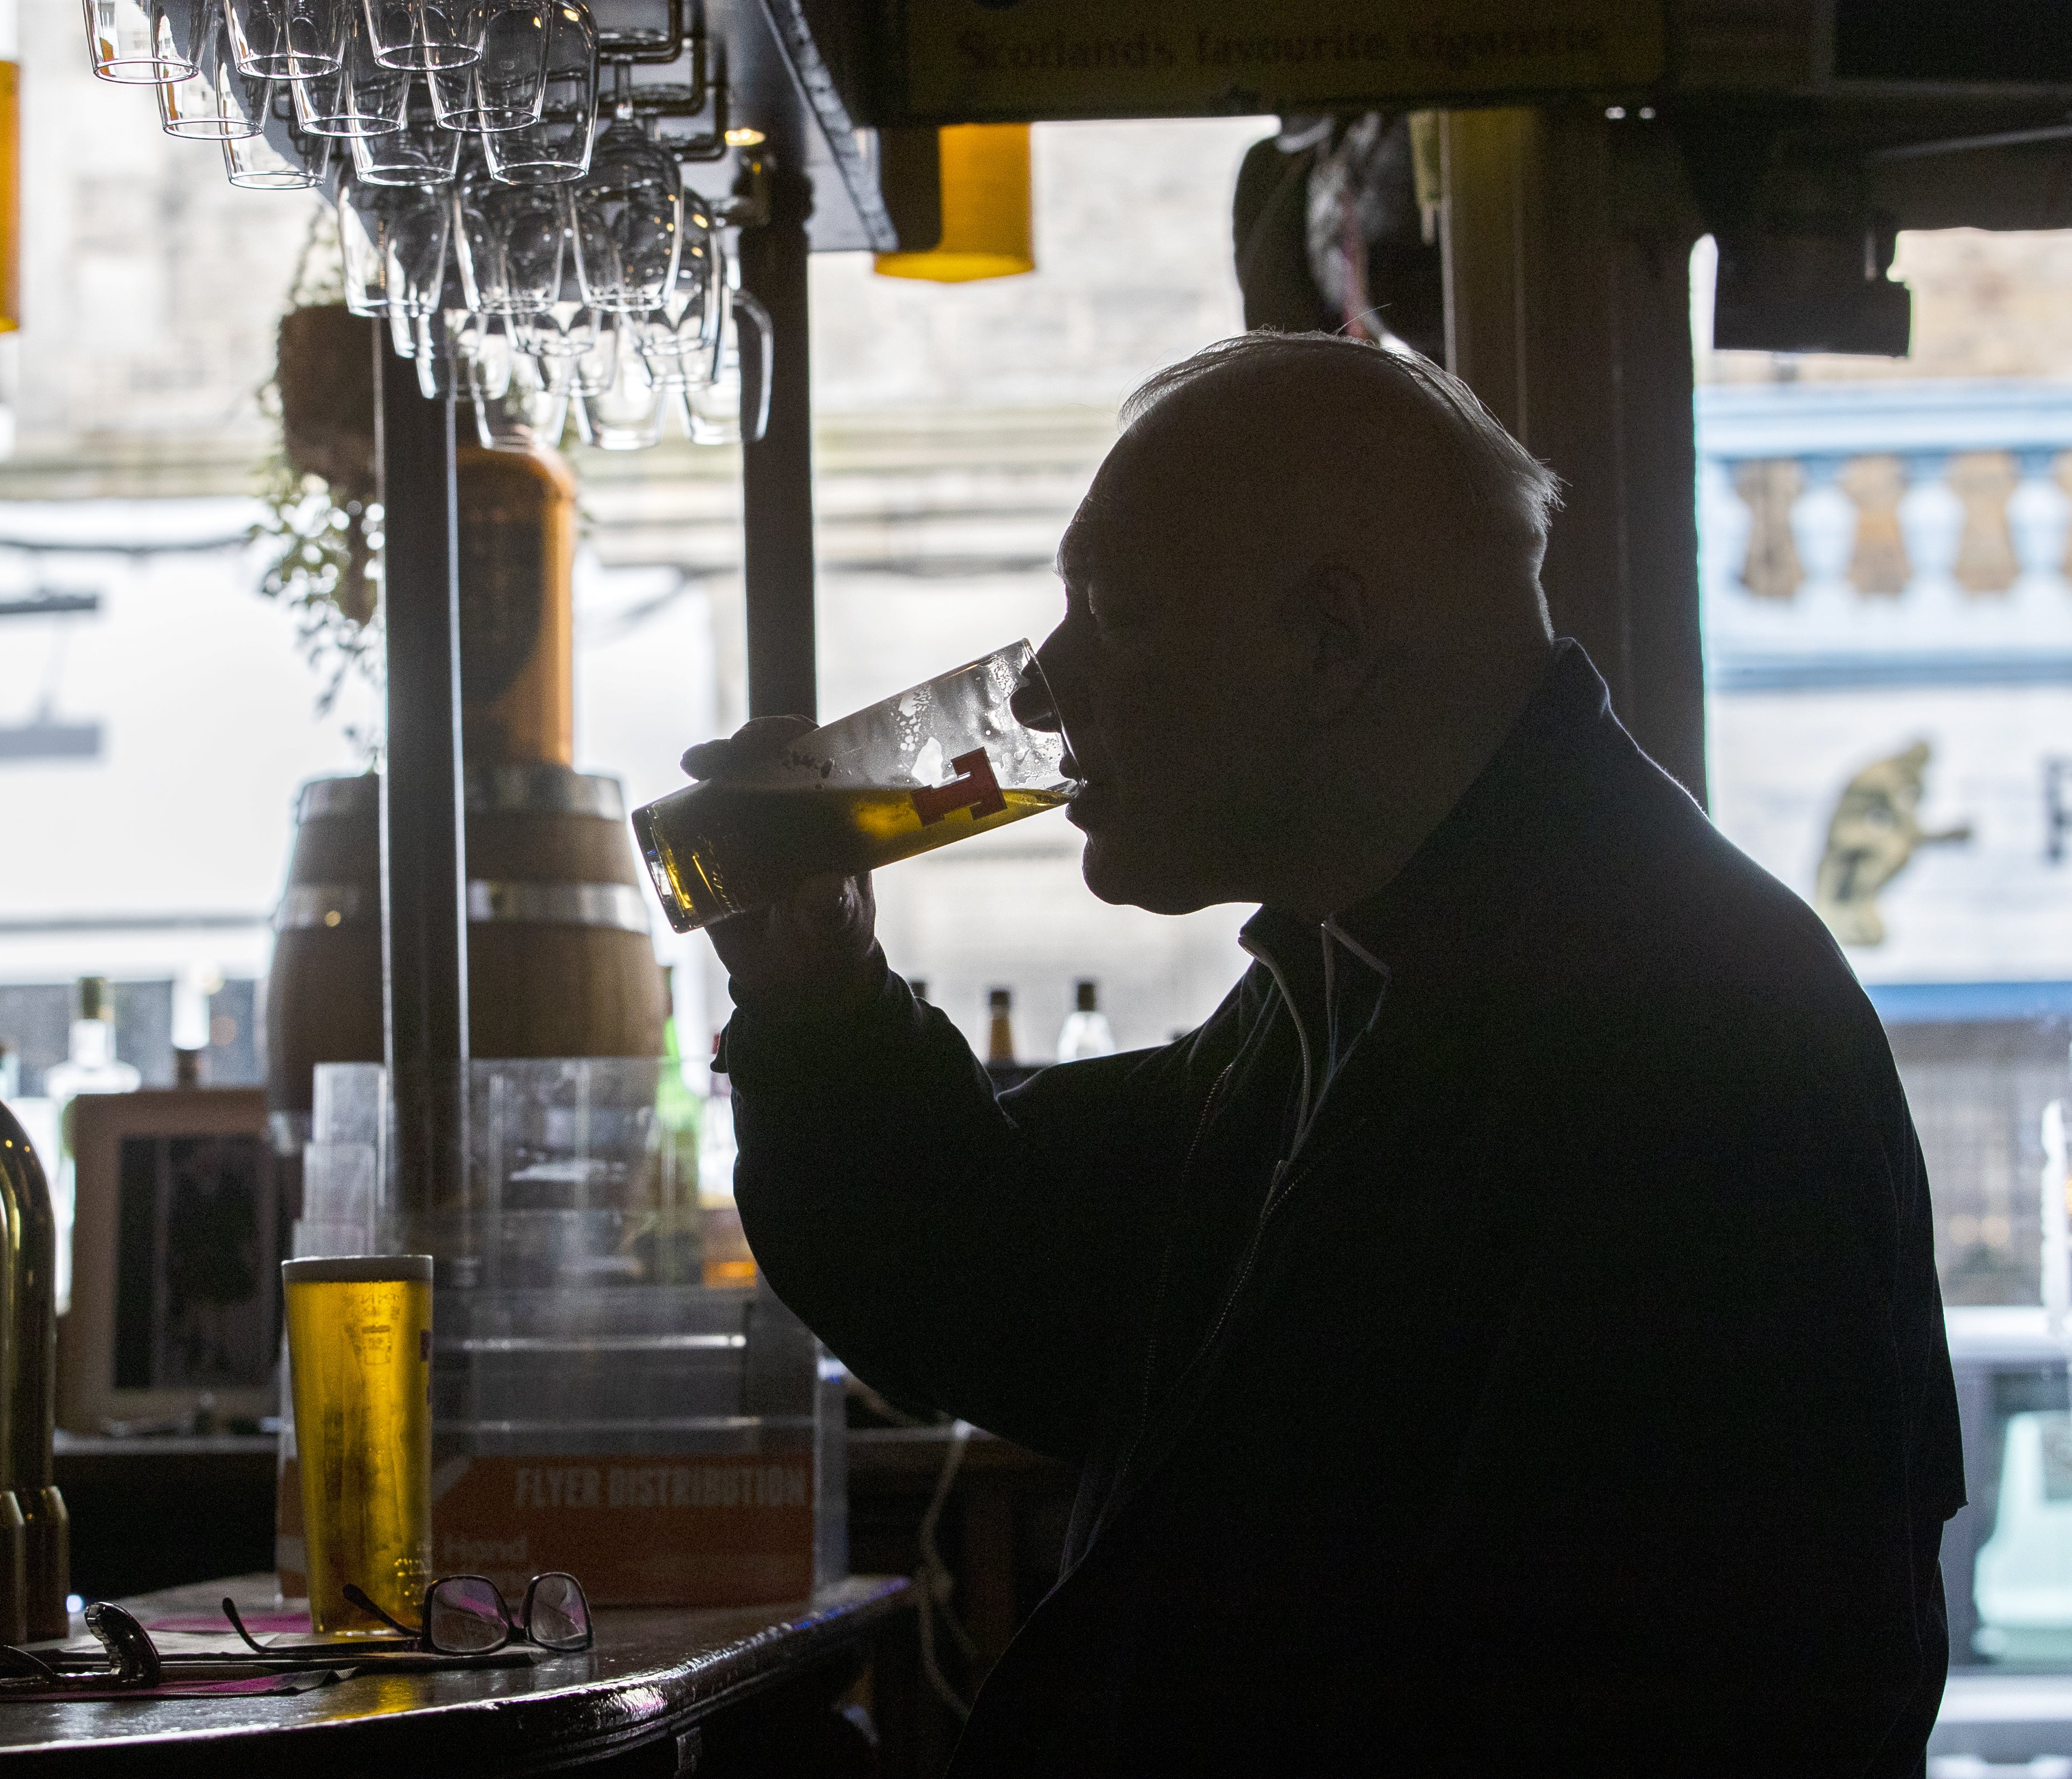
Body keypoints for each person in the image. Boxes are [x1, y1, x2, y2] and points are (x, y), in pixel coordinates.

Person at [692, 333, 1961, 1773]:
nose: (1040, 691)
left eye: (1114, 614)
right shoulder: (1372, 962)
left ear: (1328, 644)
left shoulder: (1677, 1037)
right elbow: (1017, 1282)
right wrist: (819, 991)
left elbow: (1695, 1714)